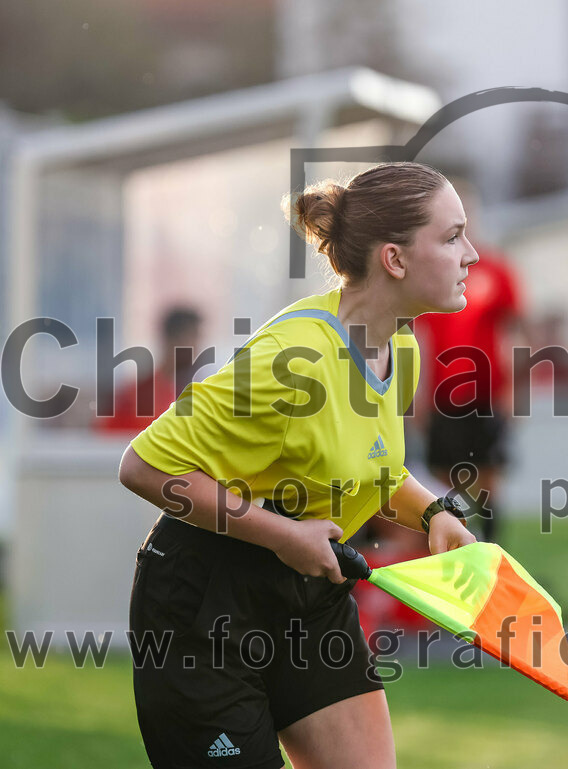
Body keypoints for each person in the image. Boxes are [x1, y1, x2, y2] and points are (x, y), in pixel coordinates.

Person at [118, 162, 479, 769]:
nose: (471, 253)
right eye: (452, 237)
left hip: (311, 592)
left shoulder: (402, 346)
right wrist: (283, 535)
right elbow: (145, 468)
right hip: (203, 604)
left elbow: (372, 469)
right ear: (394, 259)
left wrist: (434, 512)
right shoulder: (294, 360)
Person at [413, 182, 525, 544]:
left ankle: (492, 552)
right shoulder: (431, 273)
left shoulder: (496, 269)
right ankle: (451, 552)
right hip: (444, 395)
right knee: (443, 481)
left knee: (490, 479)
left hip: (487, 393)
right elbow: (421, 340)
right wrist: (417, 400)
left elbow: (515, 333)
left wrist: (513, 393)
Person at [94, 306, 203, 436]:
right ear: (173, 340)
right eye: (193, 337)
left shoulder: (189, 392)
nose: (198, 348)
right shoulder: (137, 396)